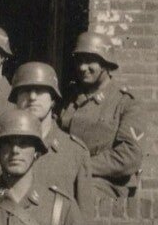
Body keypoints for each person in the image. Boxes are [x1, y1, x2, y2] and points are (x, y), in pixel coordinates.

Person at [61, 30, 144, 198]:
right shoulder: (68, 99)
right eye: (79, 61)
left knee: (77, 193)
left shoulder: (126, 102)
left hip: (108, 184)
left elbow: (129, 156)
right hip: (69, 177)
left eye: (90, 61)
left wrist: (81, 166)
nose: (83, 68)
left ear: (106, 63)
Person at [8, 61, 94, 213]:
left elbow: (83, 221)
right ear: (16, 98)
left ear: (53, 99)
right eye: (25, 90)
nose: (32, 97)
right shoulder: (0, 150)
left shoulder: (75, 153)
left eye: (40, 90)